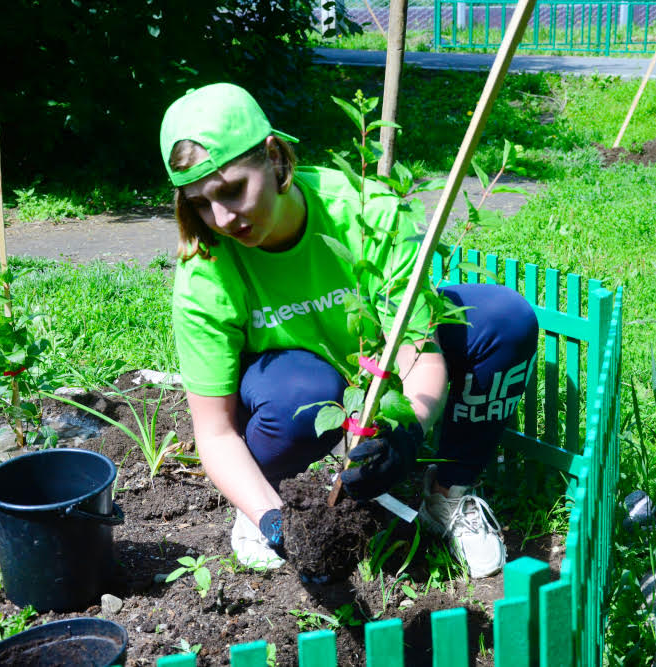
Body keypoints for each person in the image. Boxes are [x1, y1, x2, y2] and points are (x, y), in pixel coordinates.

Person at [159, 82, 538, 579]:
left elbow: (420, 355)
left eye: (232, 190)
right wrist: (274, 520)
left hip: (379, 370)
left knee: (502, 321)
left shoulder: (363, 214)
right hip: (290, 391)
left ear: (274, 157)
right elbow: (215, 432)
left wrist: (406, 434)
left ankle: (448, 495)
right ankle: (262, 499)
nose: (223, 218)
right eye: (202, 203)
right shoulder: (205, 270)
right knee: (302, 391)